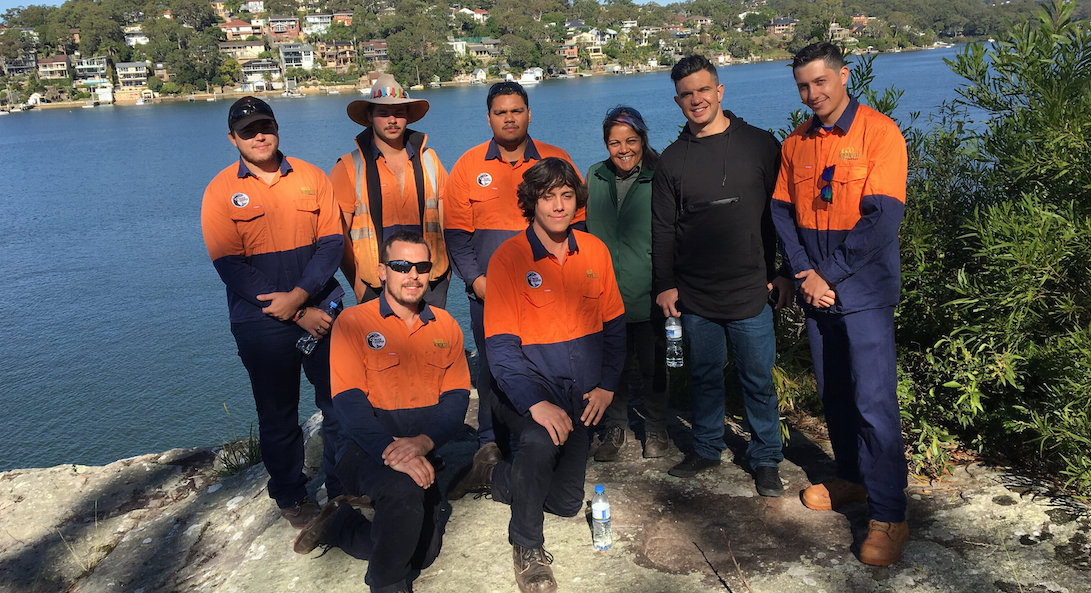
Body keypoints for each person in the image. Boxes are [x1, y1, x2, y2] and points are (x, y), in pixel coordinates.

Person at [771, 42, 909, 566]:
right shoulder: (795, 145)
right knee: (835, 395)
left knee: (874, 402)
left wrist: (826, 272)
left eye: (820, 83)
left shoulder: (880, 134)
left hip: (865, 293)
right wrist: (806, 273)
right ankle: (852, 478)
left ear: (843, 77)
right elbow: (782, 213)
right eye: (803, 86)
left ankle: (890, 512)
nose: (812, 95)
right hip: (817, 293)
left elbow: (882, 220)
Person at [474, 157, 625, 593]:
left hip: (582, 392)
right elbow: (500, 350)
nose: (558, 206)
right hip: (528, 387)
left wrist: (607, 386)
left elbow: (614, 329)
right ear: (531, 203)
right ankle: (526, 545)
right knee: (540, 441)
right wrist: (536, 404)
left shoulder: (594, 251)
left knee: (564, 502)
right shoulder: (509, 259)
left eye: (566, 195)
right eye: (547, 197)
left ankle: (491, 475)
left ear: (576, 201)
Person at [293, 230, 470, 593]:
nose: (413, 274)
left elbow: (456, 400)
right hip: (362, 445)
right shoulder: (353, 323)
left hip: (419, 445)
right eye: (402, 265)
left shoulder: (446, 326)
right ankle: (386, 583)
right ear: (382, 271)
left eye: (422, 266)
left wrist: (421, 444)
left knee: (424, 553)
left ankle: (339, 525)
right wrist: (391, 453)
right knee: (403, 493)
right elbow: (349, 404)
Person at [651, 55, 793, 496]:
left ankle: (766, 457)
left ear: (720, 91)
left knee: (757, 379)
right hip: (695, 293)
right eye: (687, 94)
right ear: (678, 101)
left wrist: (788, 271)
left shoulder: (761, 145)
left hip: (751, 288)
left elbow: (785, 213)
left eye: (703, 90)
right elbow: (663, 229)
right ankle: (707, 447)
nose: (696, 99)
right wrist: (664, 285)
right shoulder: (672, 160)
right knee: (705, 375)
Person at [201, 96, 345, 528]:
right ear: (233, 139)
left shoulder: (312, 177)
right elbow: (230, 266)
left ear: (277, 128)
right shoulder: (221, 191)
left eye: (265, 126)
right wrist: (296, 311)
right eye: (247, 131)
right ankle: (290, 494)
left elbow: (332, 244)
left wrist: (301, 296)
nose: (259, 136)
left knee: (340, 403)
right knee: (278, 414)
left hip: (323, 309)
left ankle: (342, 485)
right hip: (261, 323)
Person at [444, 82, 582, 500]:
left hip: (547, 291)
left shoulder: (556, 160)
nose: (509, 118)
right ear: (488, 117)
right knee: (493, 366)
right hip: (489, 293)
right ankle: (491, 443)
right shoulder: (468, 166)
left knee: (548, 360)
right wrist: (475, 279)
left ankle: (546, 437)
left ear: (529, 114)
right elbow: (456, 233)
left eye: (517, 110)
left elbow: (577, 220)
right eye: (501, 112)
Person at [585, 106, 671, 461]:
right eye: (614, 142)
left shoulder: (659, 173)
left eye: (631, 140)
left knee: (655, 366)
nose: (623, 149)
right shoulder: (594, 176)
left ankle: (656, 429)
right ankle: (615, 427)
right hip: (605, 295)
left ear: (642, 139)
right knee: (613, 368)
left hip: (650, 291)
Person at [331, 73, 451, 308]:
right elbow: (337, 235)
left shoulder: (430, 160)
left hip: (428, 280)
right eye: (383, 114)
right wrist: (357, 283)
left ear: (408, 116)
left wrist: (445, 275)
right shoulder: (348, 167)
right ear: (370, 117)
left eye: (399, 113)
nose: (392, 120)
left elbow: (449, 221)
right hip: (376, 283)